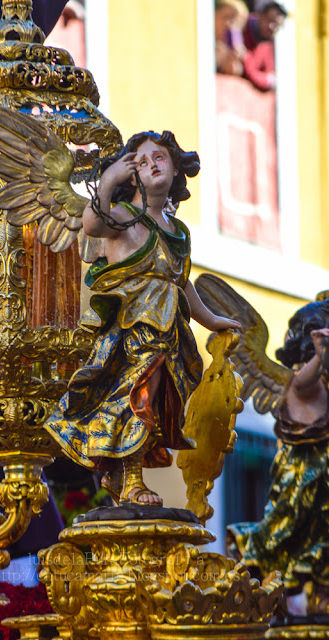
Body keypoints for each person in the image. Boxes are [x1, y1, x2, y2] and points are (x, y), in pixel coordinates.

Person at [43, 131, 243, 506]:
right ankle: (131, 478)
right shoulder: (121, 216)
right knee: (138, 397)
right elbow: (92, 225)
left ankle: (121, 474)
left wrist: (212, 320)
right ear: (132, 176)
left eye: (160, 157)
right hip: (131, 331)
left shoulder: (177, 231)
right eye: (142, 161)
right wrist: (108, 180)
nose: (152, 164)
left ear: (176, 168)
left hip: (168, 334)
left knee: (160, 400)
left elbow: (181, 282)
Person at [227, 301, 329, 614]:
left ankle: (316, 594)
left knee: (321, 544)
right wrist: (321, 351)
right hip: (300, 483)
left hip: (322, 485)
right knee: (287, 536)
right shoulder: (299, 382)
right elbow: (304, 381)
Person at [242, 1, 287, 90]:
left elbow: (270, 80)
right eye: (269, 20)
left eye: (277, 25)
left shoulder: (267, 44)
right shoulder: (242, 28)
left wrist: (246, 59)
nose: (271, 27)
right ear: (259, 15)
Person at [214, 0, 249, 76]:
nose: (229, 25)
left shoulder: (226, 47)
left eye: (235, 22)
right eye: (226, 17)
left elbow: (234, 71)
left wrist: (232, 60)